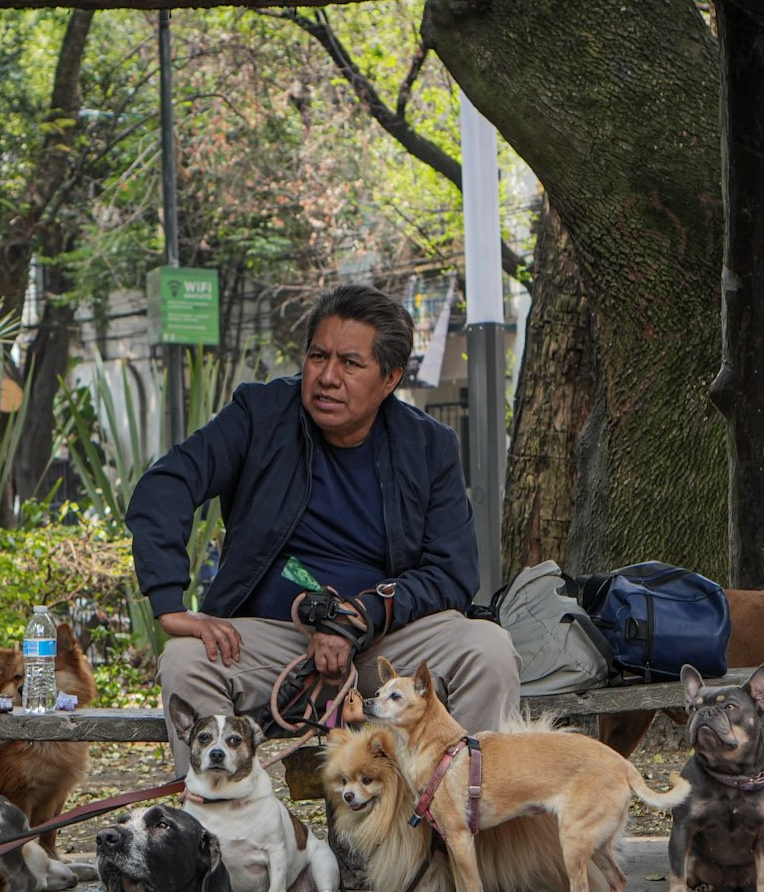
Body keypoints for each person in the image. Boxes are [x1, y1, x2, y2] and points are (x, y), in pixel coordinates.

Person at [127, 283, 521, 769]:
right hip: (274, 639)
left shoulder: (428, 445)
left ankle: (456, 820)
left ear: (390, 377)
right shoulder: (260, 414)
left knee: (487, 649)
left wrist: (359, 615)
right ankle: (220, 836)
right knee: (186, 662)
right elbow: (164, 486)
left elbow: (452, 572)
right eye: (318, 356)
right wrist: (168, 602)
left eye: (351, 364)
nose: (327, 377)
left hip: (386, 641)